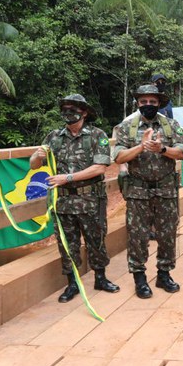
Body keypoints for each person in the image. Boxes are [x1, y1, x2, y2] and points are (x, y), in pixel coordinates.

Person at [31, 94, 119, 303]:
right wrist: (37, 156)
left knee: (96, 239)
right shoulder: (54, 136)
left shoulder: (97, 135)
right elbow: (34, 165)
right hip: (62, 202)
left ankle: (101, 278)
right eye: (65, 109)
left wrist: (67, 178)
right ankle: (72, 284)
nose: (68, 113)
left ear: (84, 112)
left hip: (90, 200)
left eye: (73, 109)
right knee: (66, 244)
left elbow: (99, 167)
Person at [113, 84, 183, 299]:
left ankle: (164, 274)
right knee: (137, 235)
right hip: (138, 190)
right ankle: (139, 278)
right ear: (138, 103)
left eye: (152, 102)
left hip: (165, 189)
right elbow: (118, 156)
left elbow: (182, 152)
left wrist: (162, 149)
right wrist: (141, 147)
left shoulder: (171, 125)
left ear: (159, 104)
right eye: (144, 102)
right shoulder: (127, 127)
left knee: (167, 234)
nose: (148, 105)